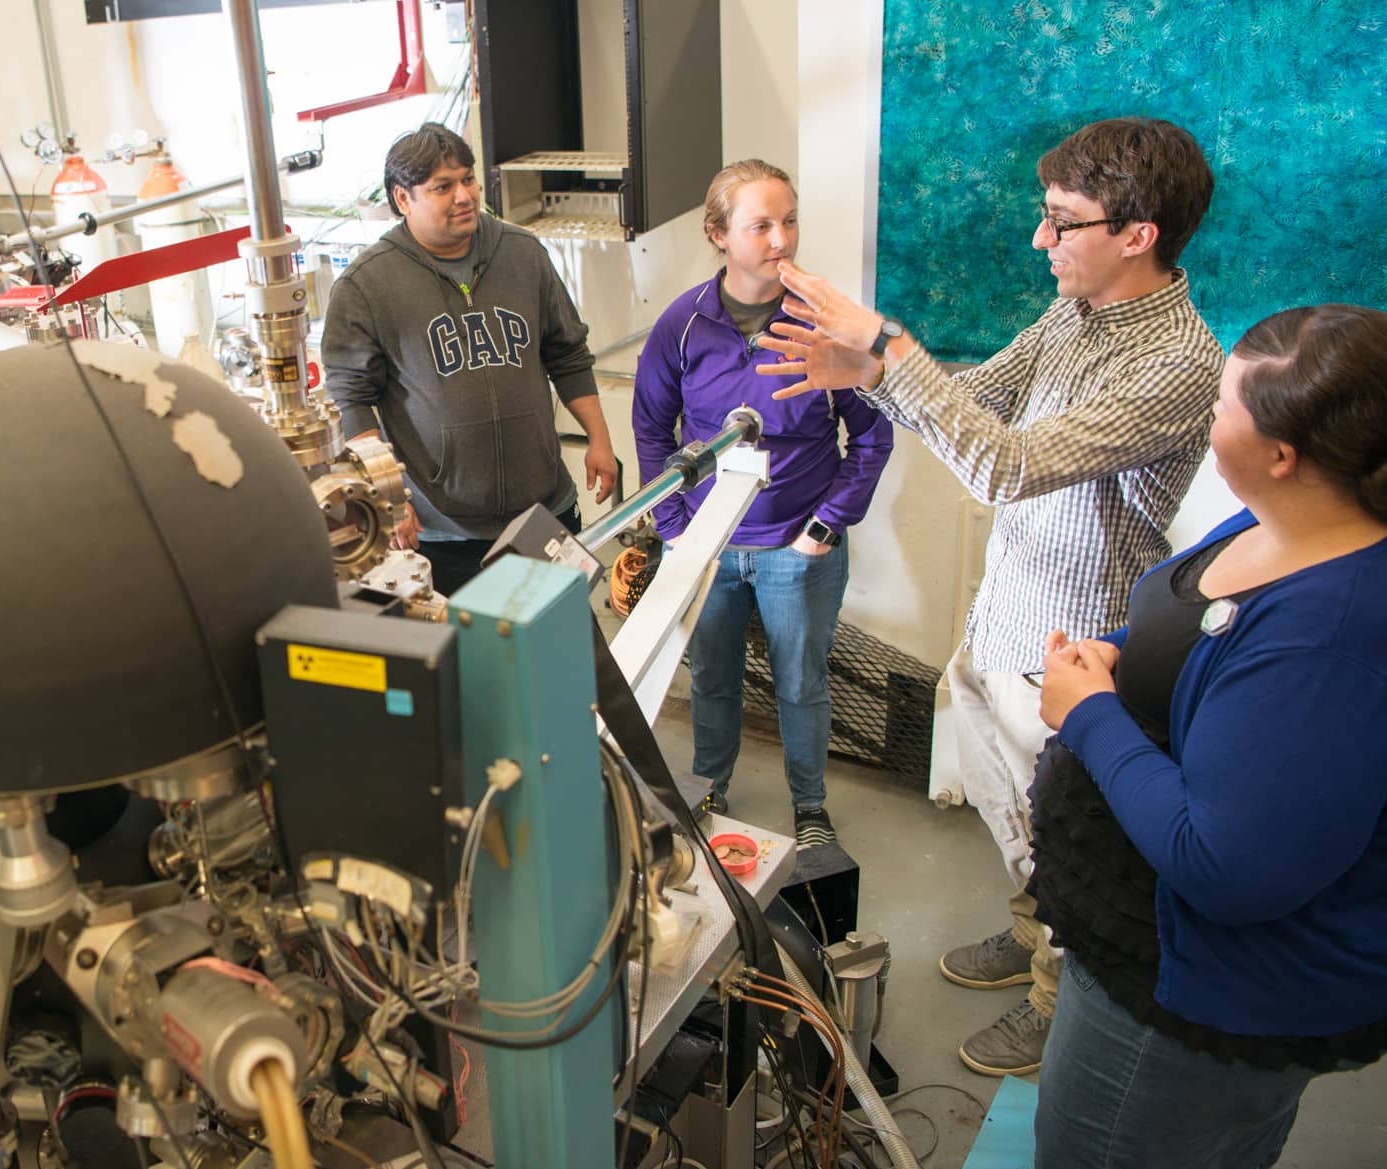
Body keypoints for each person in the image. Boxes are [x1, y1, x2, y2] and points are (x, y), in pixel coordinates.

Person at [755, 117, 1224, 1075]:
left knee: (1069, 840)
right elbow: (984, 394)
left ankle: (1061, 1000)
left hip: (1070, 641)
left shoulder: (1179, 363)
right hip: (1003, 616)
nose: (1040, 241)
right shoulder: (1074, 314)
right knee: (1017, 819)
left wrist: (888, 342)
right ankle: (1030, 932)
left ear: (1137, 234)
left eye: (1061, 222)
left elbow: (1004, 465)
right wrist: (872, 378)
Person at [1029, 304, 1387, 1168]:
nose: (1207, 417)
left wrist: (1088, 713)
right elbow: (1204, 634)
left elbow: (1227, 865)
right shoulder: (1287, 518)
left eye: (1223, 406)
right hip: (1134, 938)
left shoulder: (1331, 637)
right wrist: (1122, 658)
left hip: (1191, 1004)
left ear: (1281, 454)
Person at [631, 160, 893, 849]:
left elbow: (871, 434)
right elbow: (653, 431)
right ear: (718, 234)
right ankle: (708, 790)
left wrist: (824, 526)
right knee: (712, 677)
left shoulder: (824, 326)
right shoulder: (681, 327)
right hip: (708, 547)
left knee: (801, 682)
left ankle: (810, 809)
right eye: (761, 225)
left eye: (791, 220)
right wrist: (677, 530)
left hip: (796, 547)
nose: (782, 239)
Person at [322, 123, 619, 595]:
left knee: (566, 652)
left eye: (468, 180)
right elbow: (352, 397)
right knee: (472, 665)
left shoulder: (523, 254)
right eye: (442, 187)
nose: (464, 196)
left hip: (544, 511)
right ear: (403, 199)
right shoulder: (366, 285)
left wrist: (600, 439)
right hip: (446, 533)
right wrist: (388, 496)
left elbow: (567, 354)